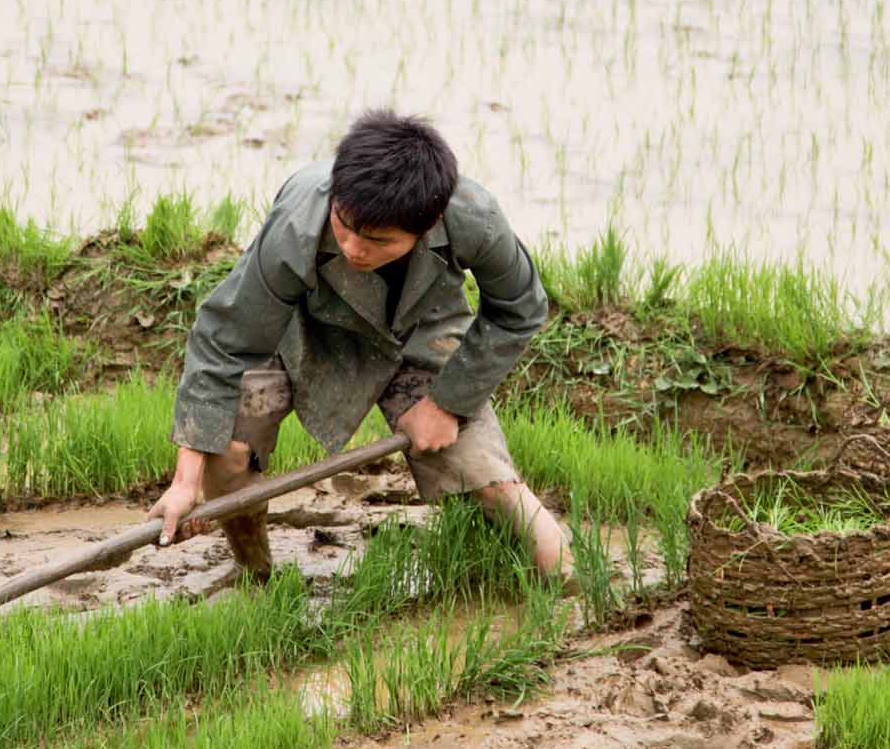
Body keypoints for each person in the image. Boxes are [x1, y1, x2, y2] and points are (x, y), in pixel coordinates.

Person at [146, 108, 572, 585]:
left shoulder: (473, 217)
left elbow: (520, 307)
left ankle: (573, 586)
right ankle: (255, 576)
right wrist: (186, 483)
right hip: (300, 334)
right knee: (227, 455)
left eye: (376, 240)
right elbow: (223, 342)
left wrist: (448, 403)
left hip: (419, 336)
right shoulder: (297, 225)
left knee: (494, 487)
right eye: (344, 226)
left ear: (427, 223)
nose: (352, 248)